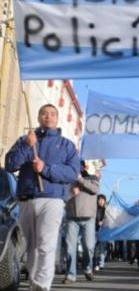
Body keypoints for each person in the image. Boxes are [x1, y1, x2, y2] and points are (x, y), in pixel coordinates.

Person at [5, 103, 80, 291]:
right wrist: (25, 145)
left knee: (46, 243)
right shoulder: (26, 139)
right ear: (38, 117)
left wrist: (46, 169)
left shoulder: (66, 146)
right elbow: (10, 164)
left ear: (57, 118)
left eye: (52, 114)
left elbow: (72, 173)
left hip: (52, 199)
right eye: (44, 114)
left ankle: (42, 285)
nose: (48, 117)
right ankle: (34, 282)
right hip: (27, 198)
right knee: (31, 246)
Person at [63, 161, 100, 284]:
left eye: (80, 165)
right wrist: (70, 193)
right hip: (71, 216)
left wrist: (81, 180)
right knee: (70, 247)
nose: (78, 168)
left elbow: (95, 189)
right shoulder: (67, 177)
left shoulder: (93, 177)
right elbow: (63, 195)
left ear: (85, 166)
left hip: (89, 217)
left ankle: (88, 268)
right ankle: (71, 275)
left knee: (89, 247)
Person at [94, 194, 108, 271]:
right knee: (95, 247)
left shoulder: (107, 210)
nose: (101, 201)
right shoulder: (93, 209)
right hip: (95, 230)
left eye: (103, 200)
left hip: (103, 231)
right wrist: (97, 222)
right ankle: (95, 263)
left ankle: (101, 263)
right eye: (99, 199)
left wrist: (104, 222)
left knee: (103, 248)